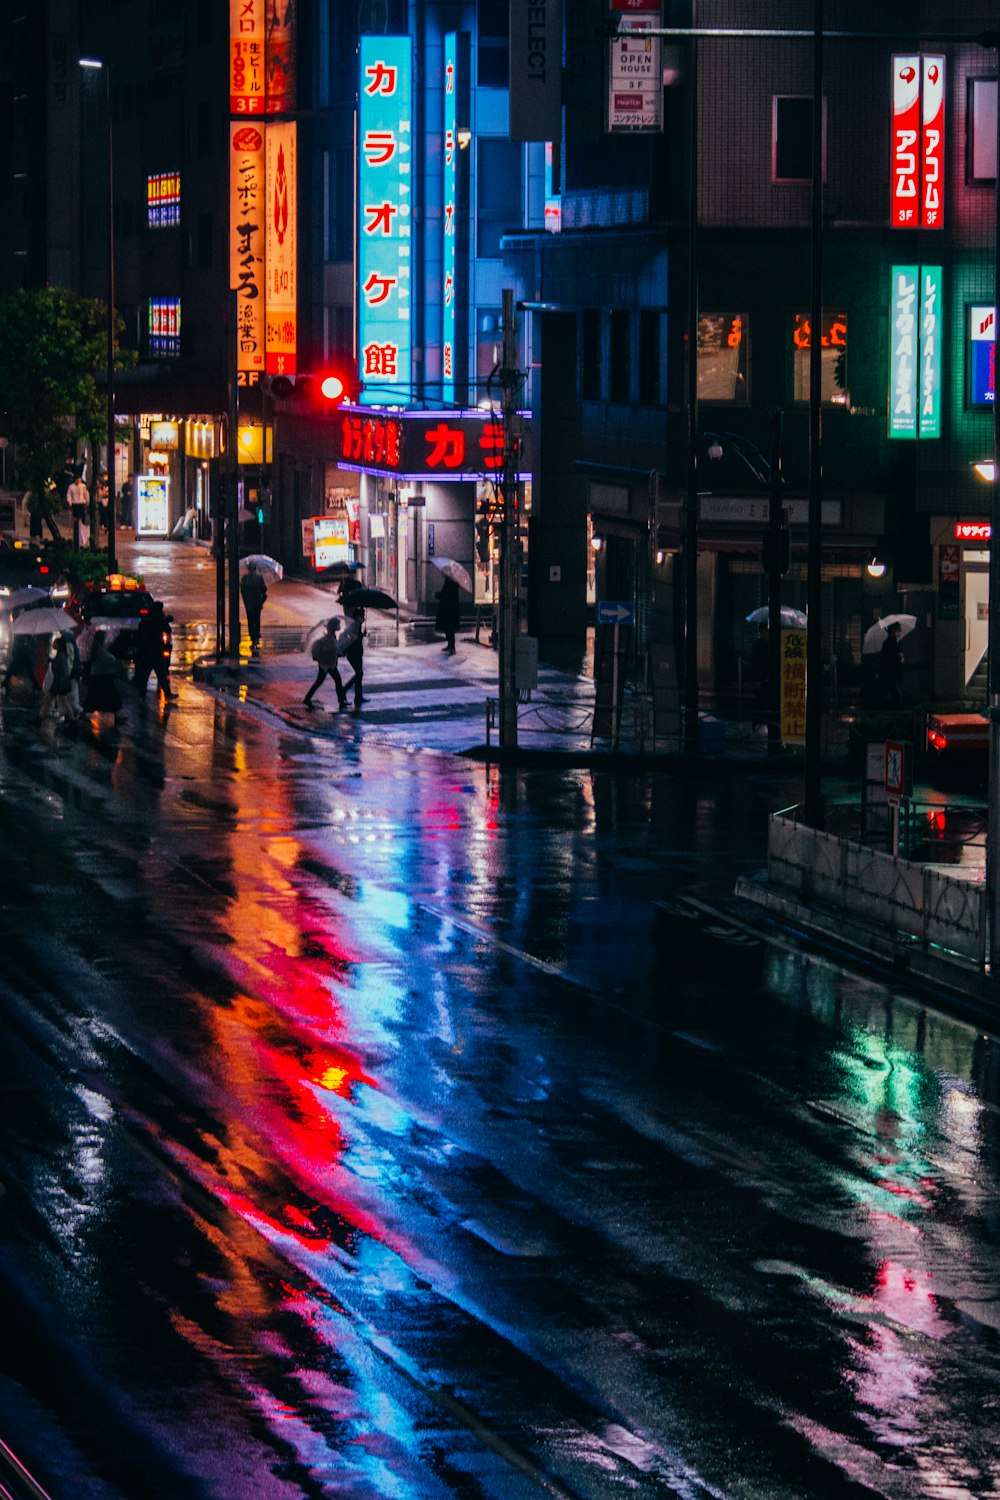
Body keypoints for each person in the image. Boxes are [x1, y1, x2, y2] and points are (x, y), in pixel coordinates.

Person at [134, 600, 176, 700]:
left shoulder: (147, 619)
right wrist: (165, 620)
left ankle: (142, 694)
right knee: (160, 673)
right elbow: (166, 629)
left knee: (148, 674)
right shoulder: (155, 619)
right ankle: (167, 694)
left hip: (148, 651)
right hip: (154, 651)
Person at [303, 618, 348, 710]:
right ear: (333, 627)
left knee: (322, 681)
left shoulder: (333, 637)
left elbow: (334, 650)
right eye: (337, 625)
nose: (339, 627)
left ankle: (307, 698)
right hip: (327, 665)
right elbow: (329, 650)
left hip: (329, 664)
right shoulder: (327, 639)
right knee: (336, 681)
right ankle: (341, 701)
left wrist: (339, 654)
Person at [37, 633, 79, 724]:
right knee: (61, 701)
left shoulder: (61, 656)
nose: (53, 645)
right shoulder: (62, 655)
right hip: (61, 683)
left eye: (55, 643)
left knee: (49, 700)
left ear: (59, 645)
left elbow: (55, 668)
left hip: (59, 684)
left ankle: (39, 719)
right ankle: (72, 720)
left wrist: (49, 661)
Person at [82, 630, 123, 719]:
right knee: (111, 695)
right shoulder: (99, 649)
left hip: (99, 676)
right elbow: (109, 659)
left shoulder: (96, 648)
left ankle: (116, 713)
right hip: (101, 676)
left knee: (95, 696)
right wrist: (116, 661)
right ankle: (116, 713)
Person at [340, 601, 365, 711]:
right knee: (359, 673)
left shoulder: (357, 625)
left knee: (359, 674)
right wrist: (360, 637)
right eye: (362, 616)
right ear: (358, 616)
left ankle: (358, 697)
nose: (363, 618)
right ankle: (344, 689)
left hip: (357, 653)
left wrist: (362, 635)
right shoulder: (355, 625)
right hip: (353, 653)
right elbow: (352, 640)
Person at [240, 560, 268, 653]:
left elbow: (243, 591)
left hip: (249, 603)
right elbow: (264, 589)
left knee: (250, 621)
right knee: (257, 619)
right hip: (257, 603)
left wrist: (246, 600)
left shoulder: (244, 578)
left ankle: (252, 637)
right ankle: (256, 636)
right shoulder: (259, 577)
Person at [878, 620, 904, 705]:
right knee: (895, 692)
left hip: (889, 672)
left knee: (888, 690)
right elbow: (893, 659)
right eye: (898, 630)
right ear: (893, 631)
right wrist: (900, 657)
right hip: (891, 672)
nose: (900, 631)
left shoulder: (891, 642)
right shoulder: (891, 643)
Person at [749, 623, 769, 730]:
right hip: (761, 679)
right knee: (761, 701)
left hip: (762, 679)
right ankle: (757, 723)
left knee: (761, 701)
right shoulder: (760, 645)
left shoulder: (761, 644)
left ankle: (757, 723)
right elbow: (757, 664)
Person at [435, 575, 461, 654]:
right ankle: (450, 645)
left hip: (448, 610)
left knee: (449, 628)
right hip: (450, 610)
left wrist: (438, 595)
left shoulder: (450, 582)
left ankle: (451, 646)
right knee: (449, 628)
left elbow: (447, 597)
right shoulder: (451, 582)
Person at [67, 471, 90, 548]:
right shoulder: (71, 487)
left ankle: (82, 526)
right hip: (75, 503)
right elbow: (69, 495)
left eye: (80, 479)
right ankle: (76, 526)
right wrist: (69, 502)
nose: (78, 481)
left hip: (81, 503)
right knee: (75, 517)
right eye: (77, 479)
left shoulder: (83, 486)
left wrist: (87, 501)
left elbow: (86, 494)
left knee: (83, 516)